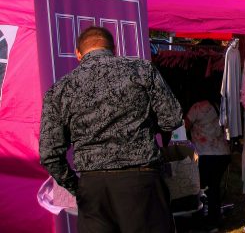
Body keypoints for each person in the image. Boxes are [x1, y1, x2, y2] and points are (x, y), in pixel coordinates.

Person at [39, 27, 182, 233]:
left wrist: (76, 187)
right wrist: (144, 125)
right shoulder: (142, 70)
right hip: (141, 182)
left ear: (78, 53)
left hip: (93, 188)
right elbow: (173, 118)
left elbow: (49, 154)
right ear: (114, 49)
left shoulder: (60, 90)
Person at [186, 85, 231, 229]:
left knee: (202, 188)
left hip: (206, 154)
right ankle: (215, 218)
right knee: (214, 187)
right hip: (222, 153)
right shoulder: (217, 106)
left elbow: (184, 125)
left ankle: (205, 219)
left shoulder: (196, 108)